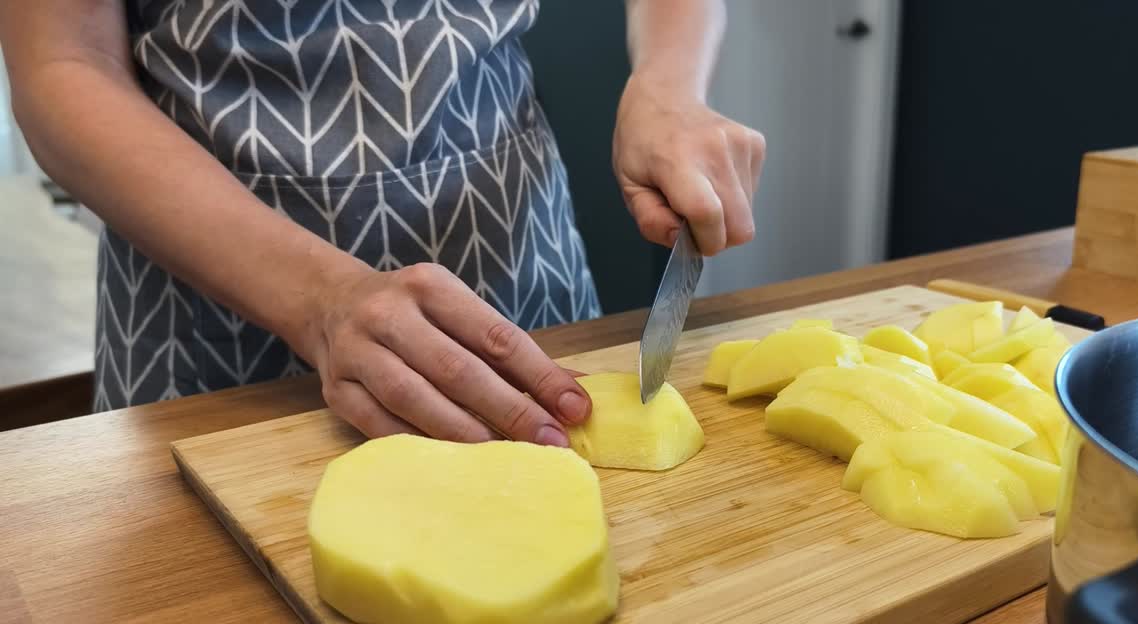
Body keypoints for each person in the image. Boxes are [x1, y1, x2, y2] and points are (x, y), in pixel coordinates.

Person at [0, 1, 764, 446]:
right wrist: (317, 296)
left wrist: (670, 83)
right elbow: (63, 64)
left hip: (516, 253)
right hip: (213, 316)